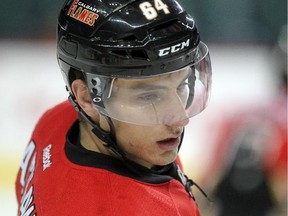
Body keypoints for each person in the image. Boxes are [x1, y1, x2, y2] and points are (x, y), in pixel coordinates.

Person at [15, 0, 212, 215]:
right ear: (87, 98)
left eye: (181, 85)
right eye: (149, 96)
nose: (179, 119)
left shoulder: (55, 121)